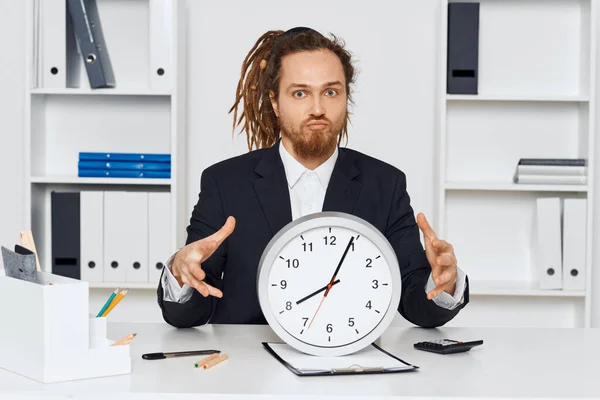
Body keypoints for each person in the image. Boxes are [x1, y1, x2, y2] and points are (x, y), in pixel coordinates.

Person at [157, 27, 469, 328]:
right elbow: (189, 313)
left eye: (331, 92)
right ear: (275, 102)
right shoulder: (224, 183)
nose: (318, 108)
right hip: (249, 369)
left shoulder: (385, 184)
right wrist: (180, 274)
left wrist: (445, 281)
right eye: (300, 93)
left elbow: (417, 305)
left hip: (350, 366)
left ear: (346, 98)